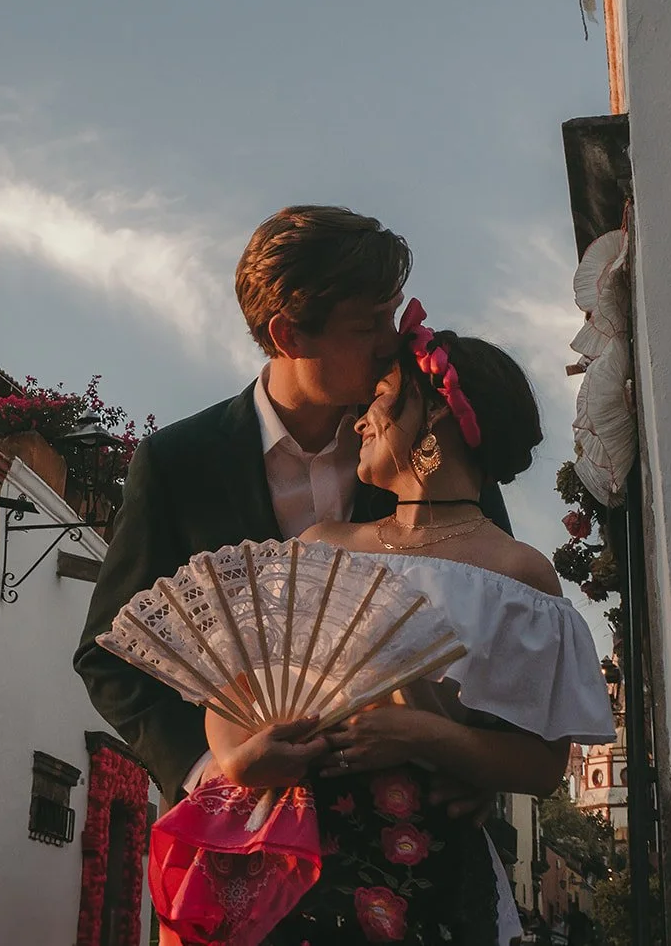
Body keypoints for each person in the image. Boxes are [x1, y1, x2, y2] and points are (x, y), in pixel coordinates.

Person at [205, 301, 616, 945]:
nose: (361, 417)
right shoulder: (321, 547)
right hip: (293, 861)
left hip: (432, 875)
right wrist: (238, 756)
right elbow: (237, 682)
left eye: (383, 397)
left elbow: (541, 765)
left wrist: (421, 735)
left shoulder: (520, 576)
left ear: (439, 413)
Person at [74, 206, 511, 804]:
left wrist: (473, 769)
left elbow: (503, 621)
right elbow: (109, 654)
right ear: (287, 335)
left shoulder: (425, 445)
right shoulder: (178, 464)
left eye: (395, 315)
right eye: (368, 326)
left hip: (415, 826)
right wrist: (214, 771)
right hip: (244, 845)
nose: (394, 342)